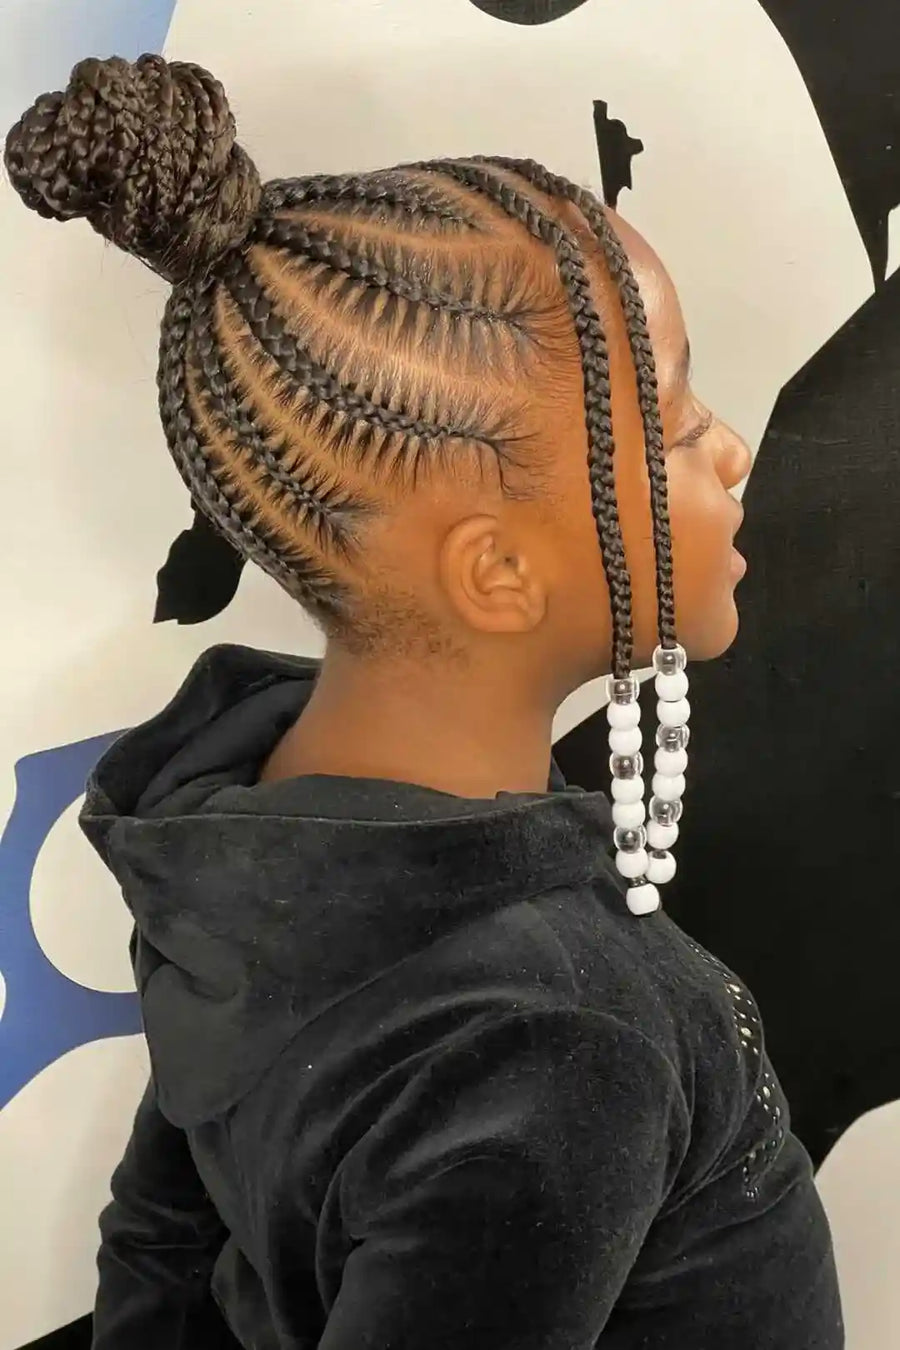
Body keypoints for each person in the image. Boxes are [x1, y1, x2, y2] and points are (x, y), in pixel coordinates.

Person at [5, 53, 842, 1350]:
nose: (731, 449)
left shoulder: (239, 832)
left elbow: (162, 1238)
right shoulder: (562, 1040)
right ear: (498, 569)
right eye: (674, 423)